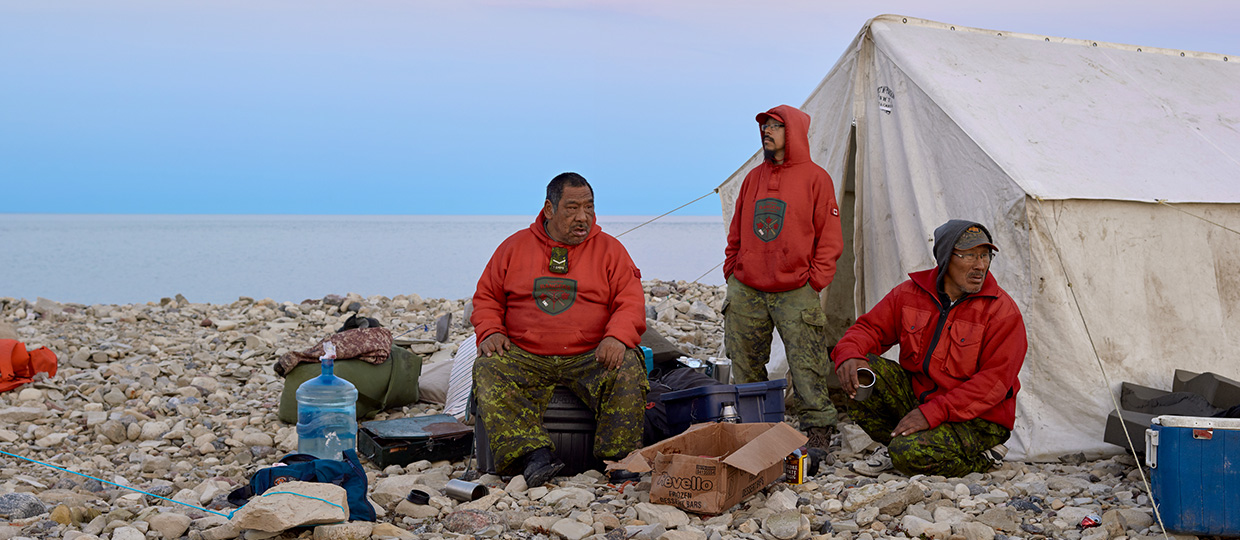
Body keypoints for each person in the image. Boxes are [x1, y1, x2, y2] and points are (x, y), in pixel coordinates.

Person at [471, 172, 648, 486]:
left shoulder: (610, 250)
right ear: (549, 209)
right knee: (488, 366)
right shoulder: (513, 248)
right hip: (526, 355)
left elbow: (630, 301)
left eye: (589, 208)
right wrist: (490, 330)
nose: (582, 217)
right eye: (572, 208)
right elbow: (487, 296)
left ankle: (617, 459)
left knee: (628, 367)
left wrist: (617, 336)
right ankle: (533, 454)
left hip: (589, 356)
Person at [831, 220, 1027, 477]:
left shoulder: (1002, 312)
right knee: (859, 370)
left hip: (979, 419)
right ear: (945, 257)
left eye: (985, 255)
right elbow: (869, 329)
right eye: (968, 255)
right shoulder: (909, 294)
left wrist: (934, 412)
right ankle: (896, 444)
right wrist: (847, 355)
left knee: (908, 455)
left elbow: (993, 384)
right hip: (922, 401)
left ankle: (982, 459)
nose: (980, 265)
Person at [723, 104, 844, 450]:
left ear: (793, 133)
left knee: (807, 362)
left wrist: (814, 281)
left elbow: (830, 237)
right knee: (744, 358)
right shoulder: (752, 178)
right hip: (747, 287)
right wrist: (732, 268)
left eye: (776, 126)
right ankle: (754, 426)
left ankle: (818, 427)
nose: (767, 131)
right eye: (765, 126)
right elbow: (737, 230)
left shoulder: (816, 178)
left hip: (796, 289)